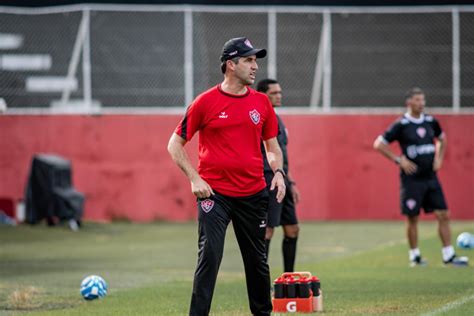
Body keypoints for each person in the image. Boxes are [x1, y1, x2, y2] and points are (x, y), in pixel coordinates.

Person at [167, 37, 286, 316]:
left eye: (255, 60)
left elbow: (273, 148)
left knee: (257, 261)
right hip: (215, 195)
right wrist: (195, 178)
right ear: (230, 65)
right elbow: (174, 144)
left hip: (253, 193)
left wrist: (278, 172)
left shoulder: (262, 103)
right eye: (248, 60)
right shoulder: (204, 102)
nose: (255, 66)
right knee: (210, 255)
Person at [373, 87, 468, 267]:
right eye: (417, 100)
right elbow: (378, 144)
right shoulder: (401, 125)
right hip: (412, 179)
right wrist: (399, 160)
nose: (421, 103)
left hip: (431, 177)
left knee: (443, 214)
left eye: (423, 100)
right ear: (409, 103)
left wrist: (439, 158)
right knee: (413, 217)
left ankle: (449, 255)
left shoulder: (431, 122)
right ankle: (414, 256)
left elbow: (442, 139)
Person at [256, 79, 300, 272]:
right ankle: (262, 282)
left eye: (279, 92)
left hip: (283, 180)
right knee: (267, 231)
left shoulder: (276, 118)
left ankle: (287, 278)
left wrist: (291, 182)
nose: (279, 96)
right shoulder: (258, 119)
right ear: (262, 95)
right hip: (268, 180)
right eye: (274, 93)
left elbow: (281, 153)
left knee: (292, 230)